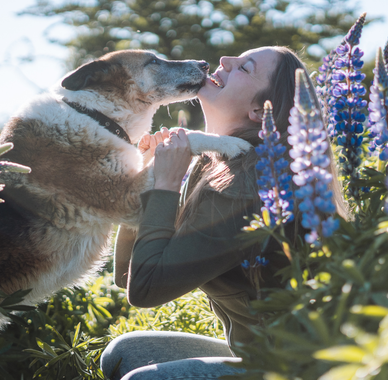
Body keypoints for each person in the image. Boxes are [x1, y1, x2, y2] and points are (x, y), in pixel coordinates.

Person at [100, 46, 344, 380]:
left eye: (244, 68)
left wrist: (165, 187)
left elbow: (146, 289)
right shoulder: (214, 165)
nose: (225, 61)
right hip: (251, 354)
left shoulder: (250, 183)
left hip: (295, 369)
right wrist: (148, 179)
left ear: (259, 110)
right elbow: (128, 276)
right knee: (123, 354)